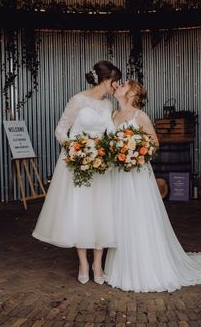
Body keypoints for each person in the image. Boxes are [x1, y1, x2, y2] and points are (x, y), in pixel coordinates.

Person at [104, 80, 201, 293]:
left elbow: (153, 145)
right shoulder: (113, 117)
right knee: (121, 216)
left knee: (139, 216)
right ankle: (122, 267)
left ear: (132, 93)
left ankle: (146, 268)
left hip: (136, 175)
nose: (119, 87)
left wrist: (134, 155)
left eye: (124, 85)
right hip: (118, 175)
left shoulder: (140, 116)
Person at [32, 60, 122, 285]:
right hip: (78, 163)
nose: (117, 87)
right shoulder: (78, 101)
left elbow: (109, 133)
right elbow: (61, 131)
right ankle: (83, 262)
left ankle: (98, 263)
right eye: (115, 82)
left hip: (101, 165)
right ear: (106, 80)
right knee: (81, 210)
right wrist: (78, 150)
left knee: (102, 211)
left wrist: (118, 145)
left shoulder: (108, 106)